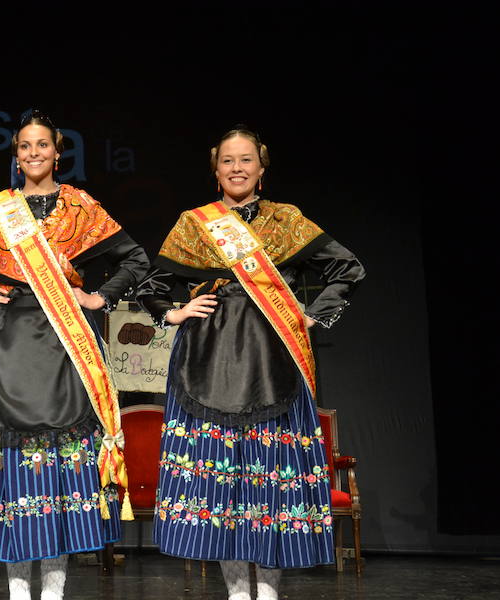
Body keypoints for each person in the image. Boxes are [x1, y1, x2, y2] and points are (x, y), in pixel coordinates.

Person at [136, 127, 365, 600]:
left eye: (245, 160)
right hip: (208, 356)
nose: (236, 168)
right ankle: (239, 594)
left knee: (268, 480)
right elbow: (153, 284)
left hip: (273, 354)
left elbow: (348, 268)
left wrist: (312, 315)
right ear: (215, 170)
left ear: (261, 169)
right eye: (226, 161)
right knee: (221, 484)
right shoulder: (195, 223)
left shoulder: (286, 220)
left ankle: (271, 593)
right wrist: (175, 313)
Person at [0, 109, 149, 600]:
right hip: (3, 341)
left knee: (58, 471)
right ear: (16, 156)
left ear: (58, 151)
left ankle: (52, 593)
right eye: (25, 147)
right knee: (12, 472)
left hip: (64, 342)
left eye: (43, 146)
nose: (34, 154)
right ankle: (16, 591)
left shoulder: (80, 207)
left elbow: (134, 258)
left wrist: (97, 298)